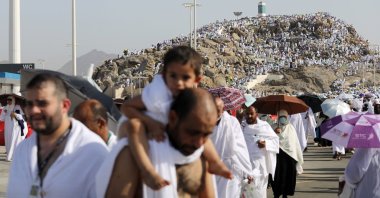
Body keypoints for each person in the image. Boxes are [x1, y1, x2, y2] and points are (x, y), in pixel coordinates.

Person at [121, 46, 231, 189]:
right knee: (135, 126)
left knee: (200, 131)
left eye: (185, 78)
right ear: (164, 75)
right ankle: (148, 171)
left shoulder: (191, 97)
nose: (178, 82)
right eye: (173, 76)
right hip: (144, 128)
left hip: (170, 134)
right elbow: (126, 107)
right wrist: (150, 123)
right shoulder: (157, 94)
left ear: (196, 79)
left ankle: (216, 162)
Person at [96, 88, 218, 198]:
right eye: (192, 132)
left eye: (206, 134)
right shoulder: (134, 156)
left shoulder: (200, 157)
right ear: (173, 118)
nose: (198, 143)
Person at [7, 73, 109, 197]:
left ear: (64, 106)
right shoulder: (22, 150)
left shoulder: (93, 153)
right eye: (29, 104)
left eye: (42, 103)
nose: (34, 110)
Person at [210, 97, 253, 197]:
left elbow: (240, 147)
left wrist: (247, 171)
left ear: (223, 109)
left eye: (219, 108)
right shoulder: (205, 122)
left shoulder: (232, 122)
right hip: (212, 169)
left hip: (231, 168)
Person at [242, 105, 279, 198]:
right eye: (247, 114)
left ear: (256, 114)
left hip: (261, 167)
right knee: (246, 192)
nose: (249, 116)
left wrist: (266, 144)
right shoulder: (241, 127)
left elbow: (275, 141)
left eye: (251, 113)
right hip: (246, 165)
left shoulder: (264, 126)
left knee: (260, 192)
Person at [270, 109, 304, 198]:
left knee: (288, 175)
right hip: (277, 155)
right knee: (276, 176)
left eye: (284, 117)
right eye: (281, 117)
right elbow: (267, 139)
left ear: (287, 117)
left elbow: (295, 144)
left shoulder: (291, 128)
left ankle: (285, 194)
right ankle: (276, 193)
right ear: (278, 117)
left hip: (289, 157)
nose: (283, 119)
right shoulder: (273, 127)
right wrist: (274, 132)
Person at [0, 95, 27, 161]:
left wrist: (15, 114)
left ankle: (15, 156)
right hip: (8, 128)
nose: (8, 101)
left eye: (10, 100)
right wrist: (4, 112)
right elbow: (1, 119)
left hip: (16, 128)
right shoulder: (5, 107)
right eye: (8, 100)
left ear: (13, 100)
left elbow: (22, 116)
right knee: (8, 141)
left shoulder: (17, 107)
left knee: (15, 141)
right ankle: (10, 155)